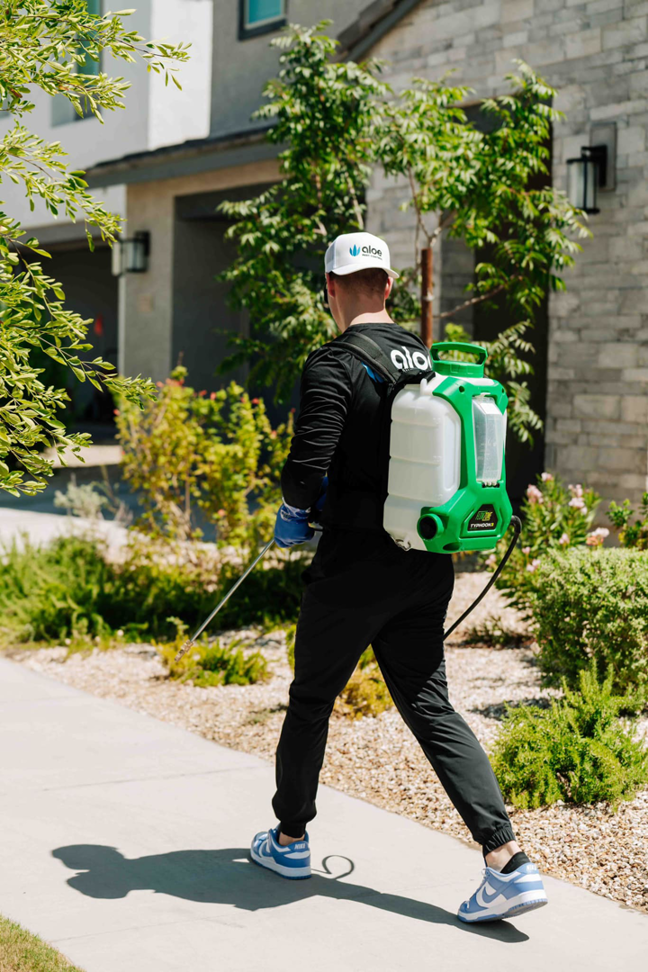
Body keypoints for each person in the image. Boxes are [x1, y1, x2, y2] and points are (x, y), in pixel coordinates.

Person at [250, 232, 547, 922]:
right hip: (426, 560)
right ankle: (506, 860)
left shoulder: (333, 362)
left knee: (311, 700)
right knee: (429, 703)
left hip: (354, 566)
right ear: (388, 287)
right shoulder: (428, 360)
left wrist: (295, 511)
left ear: (329, 290)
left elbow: (306, 468)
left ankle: (290, 838)